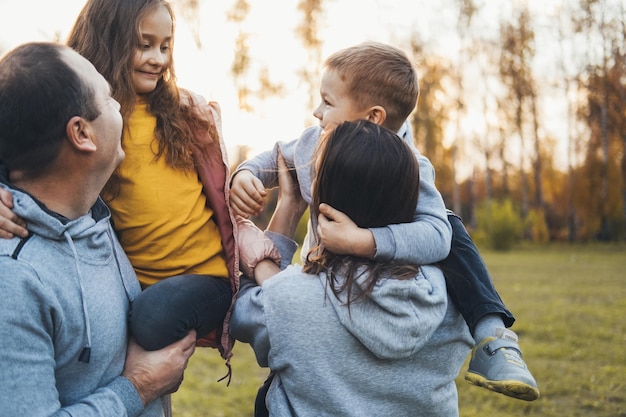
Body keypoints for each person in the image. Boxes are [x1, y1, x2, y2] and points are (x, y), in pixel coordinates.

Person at [230, 41, 539, 402]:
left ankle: (493, 334)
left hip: (358, 282)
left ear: (373, 117)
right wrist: (246, 174)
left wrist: (361, 240)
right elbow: (275, 158)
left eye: (328, 102)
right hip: (322, 275)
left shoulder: (412, 168)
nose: (316, 112)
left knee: (450, 225)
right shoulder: (314, 142)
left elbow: (438, 236)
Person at [0, 0, 279, 374]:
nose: (157, 58)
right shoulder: (86, 117)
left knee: (150, 320)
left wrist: (245, 180)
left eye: (165, 47)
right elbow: (22, 143)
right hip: (133, 280)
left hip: (203, 275)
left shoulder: (182, 115)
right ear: (107, 42)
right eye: (143, 44)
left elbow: (220, 182)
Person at [0, 41, 195, 416]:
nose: (120, 105)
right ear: (82, 134)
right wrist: (140, 386)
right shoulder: (14, 280)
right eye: (108, 99)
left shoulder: (93, 214)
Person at [231, 119, 474, 416]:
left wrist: (288, 206)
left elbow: (241, 307)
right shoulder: (453, 298)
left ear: (324, 202)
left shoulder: (290, 299)